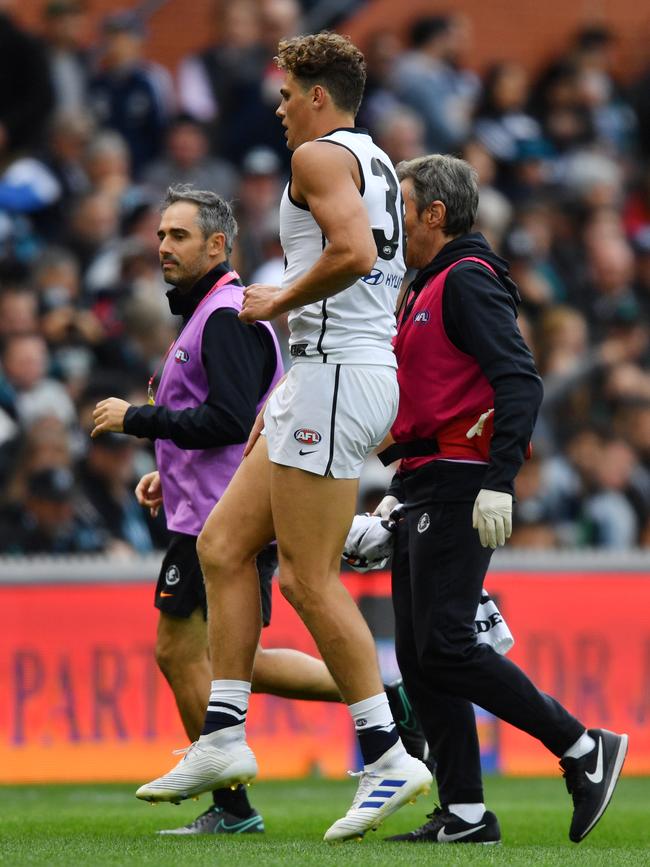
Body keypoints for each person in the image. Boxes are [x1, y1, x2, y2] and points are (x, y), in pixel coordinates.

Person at [135, 34, 432, 842]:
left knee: (305, 579)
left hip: (338, 369)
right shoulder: (371, 157)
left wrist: (279, 299)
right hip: (329, 370)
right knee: (224, 546)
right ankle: (222, 738)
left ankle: (388, 753)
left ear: (317, 97)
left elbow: (353, 251)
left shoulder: (317, 159)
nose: (278, 106)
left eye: (287, 92)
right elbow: (371, 259)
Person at [373, 154, 627, 845]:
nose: (389, 215)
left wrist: (498, 478)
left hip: (460, 479)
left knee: (447, 645)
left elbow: (521, 381)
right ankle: (463, 812)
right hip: (424, 480)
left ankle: (581, 746)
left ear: (435, 213)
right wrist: (391, 487)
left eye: (402, 202)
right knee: (423, 655)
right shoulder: (423, 284)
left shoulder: (465, 280)